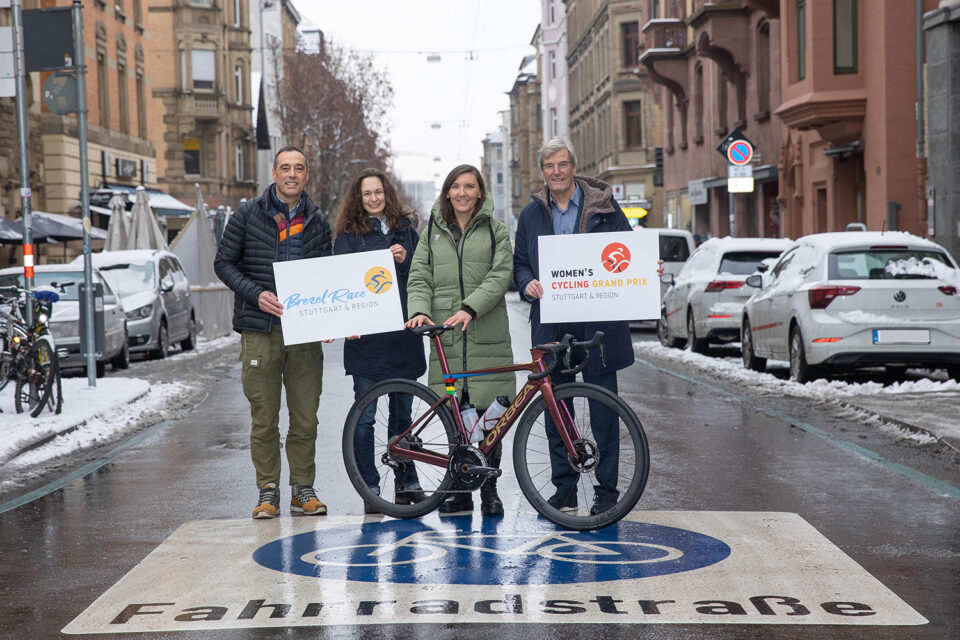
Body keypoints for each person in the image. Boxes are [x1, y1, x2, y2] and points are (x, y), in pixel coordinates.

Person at [513, 137, 663, 515]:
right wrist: (527, 283)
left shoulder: (605, 208)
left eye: (562, 164)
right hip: (552, 324)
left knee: (604, 412)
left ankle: (606, 491)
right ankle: (564, 489)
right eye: (550, 166)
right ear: (543, 172)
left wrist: (649, 269)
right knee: (556, 409)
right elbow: (520, 264)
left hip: (598, 324)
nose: (557, 172)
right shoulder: (531, 215)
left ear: (574, 168)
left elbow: (628, 253)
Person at [214, 145, 331, 520]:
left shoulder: (318, 220)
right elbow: (224, 263)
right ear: (274, 173)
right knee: (264, 418)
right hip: (260, 330)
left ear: (306, 175)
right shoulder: (247, 214)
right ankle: (268, 490)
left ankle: (302, 489)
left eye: (298, 168)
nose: (292, 174)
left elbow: (326, 276)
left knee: (306, 418)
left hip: (304, 332)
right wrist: (256, 294)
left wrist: (329, 318)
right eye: (285, 168)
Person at [404, 164, 515, 517]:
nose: (462, 193)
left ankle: (490, 492)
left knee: (489, 420)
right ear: (447, 193)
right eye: (456, 186)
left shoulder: (496, 230)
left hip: (487, 333)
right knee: (454, 418)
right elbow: (419, 276)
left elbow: (501, 274)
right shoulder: (432, 232)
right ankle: (460, 491)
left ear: (480, 192)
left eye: (469, 186)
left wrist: (470, 307)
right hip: (447, 335)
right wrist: (419, 310)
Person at [333, 168, 427, 513]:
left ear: (387, 194)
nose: (373, 198)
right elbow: (340, 283)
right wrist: (346, 321)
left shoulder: (407, 231)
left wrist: (405, 261)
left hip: (402, 336)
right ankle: (369, 488)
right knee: (365, 418)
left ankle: (406, 482)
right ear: (358, 199)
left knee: (403, 417)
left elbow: (421, 276)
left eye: (378, 192)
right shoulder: (347, 236)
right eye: (366, 193)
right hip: (367, 340)